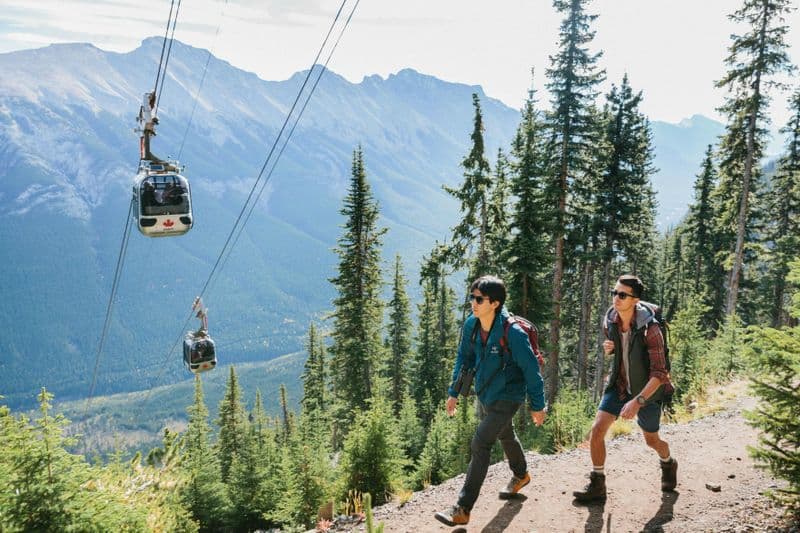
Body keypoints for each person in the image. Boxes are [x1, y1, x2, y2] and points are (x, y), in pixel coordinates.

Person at [434, 275, 546, 527]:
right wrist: (453, 392)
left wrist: (538, 405)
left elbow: (531, 371)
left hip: (509, 395)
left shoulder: (513, 333)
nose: (473, 302)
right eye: (472, 297)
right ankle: (521, 475)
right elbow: (464, 358)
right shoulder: (472, 325)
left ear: (494, 303)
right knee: (506, 434)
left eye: (479, 299)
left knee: (480, 442)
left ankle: (462, 508)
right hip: (485, 392)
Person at [573, 274, 677, 503]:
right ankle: (598, 484)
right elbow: (615, 347)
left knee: (652, 441)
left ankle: (668, 462)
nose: (616, 298)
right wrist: (610, 348)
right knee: (598, 429)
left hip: (648, 392)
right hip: (619, 386)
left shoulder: (651, 330)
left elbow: (660, 373)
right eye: (614, 293)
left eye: (622, 295)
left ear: (635, 300)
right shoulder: (610, 320)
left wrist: (637, 401)